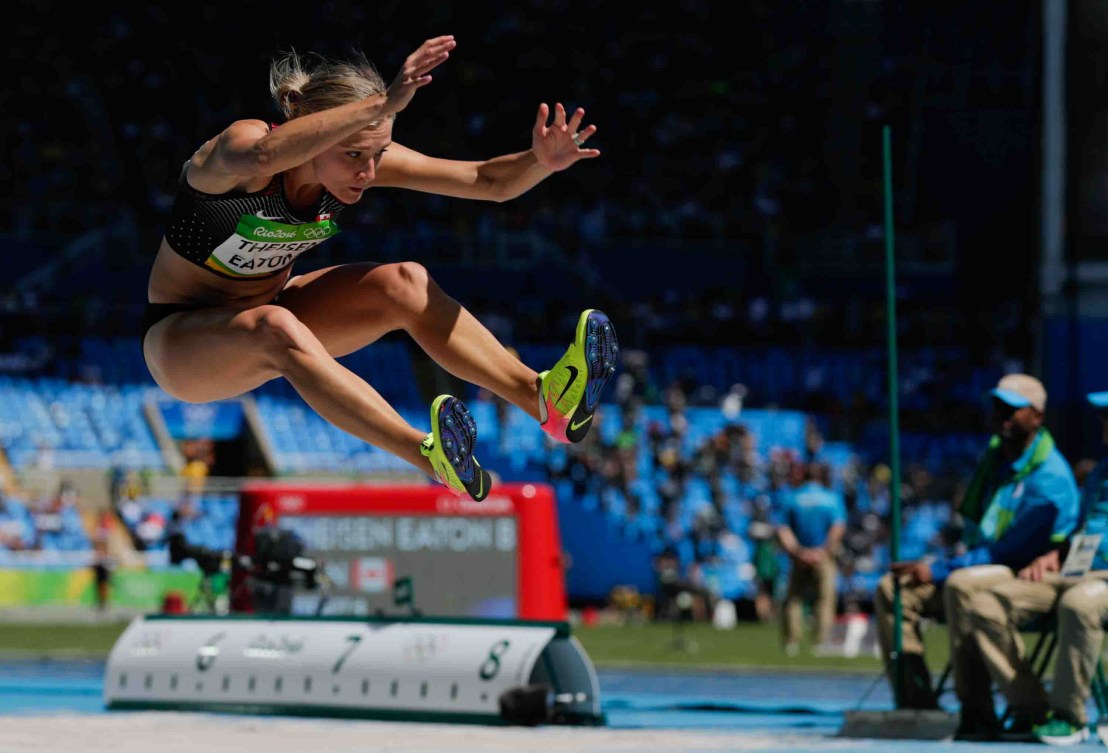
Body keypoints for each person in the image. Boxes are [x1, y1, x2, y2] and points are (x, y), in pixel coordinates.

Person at [140, 37, 619, 501]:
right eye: (353, 155)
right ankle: (429, 456)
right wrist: (381, 102)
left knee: (403, 282)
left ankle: (543, 399)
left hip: (268, 310)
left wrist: (539, 162)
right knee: (275, 326)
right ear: (313, 131)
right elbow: (266, 154)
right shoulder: (247, 149)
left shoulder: (362, 158)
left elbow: (486, 180)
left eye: (376, 153)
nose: (367, 173)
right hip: (181, 341)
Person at [873, 373, 1080, 712]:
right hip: (979, 563)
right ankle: (916, 700)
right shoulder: (995, 460)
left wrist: (939, 568)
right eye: (998, 407)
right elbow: (978, 533)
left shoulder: (1050, 477)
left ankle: (976, 708)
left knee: (960, 583)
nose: (1002, 415)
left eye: (1013, 409)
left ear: (1038, 417)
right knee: (891, 588)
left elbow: (1008, 551)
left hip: (1020, 575)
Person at [950, 389, 1108, 744]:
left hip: (1099, 584)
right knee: (984, 604)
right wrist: (1055, 553)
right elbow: (1084, 531)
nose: (1104, 423)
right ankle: (1032, 706)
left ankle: (1070, 717)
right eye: (1103, 416)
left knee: (1080, 603)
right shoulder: (1101, 472)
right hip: (1074, 570)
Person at [775, 461, 846, 655]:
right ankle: (820, 641)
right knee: (824, 598)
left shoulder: (792, 497)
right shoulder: (831, 498)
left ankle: (792, 642)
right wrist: (823, 551)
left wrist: (798, 552)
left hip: (799, 556)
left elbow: (782, 528)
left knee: (794, 599)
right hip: (822, 555)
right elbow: (838, 527)